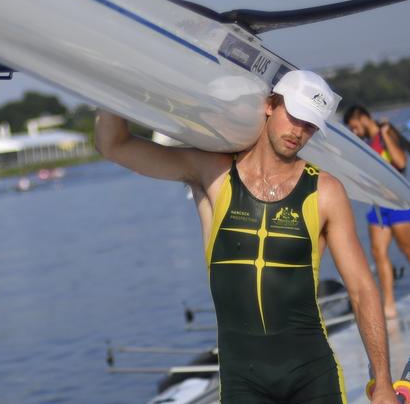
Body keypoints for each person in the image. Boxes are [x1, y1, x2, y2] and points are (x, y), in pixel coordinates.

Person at [95, 69, 397, 404]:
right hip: (243, 383)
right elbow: (114, 145)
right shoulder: (214, 175)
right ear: (270, 105)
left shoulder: (325, 192)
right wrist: (116, 74)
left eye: (310, 125)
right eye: (294, 116)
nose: (299, 131)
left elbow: (361, 289)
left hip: (313, 376)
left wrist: (381, 380)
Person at [344, 105, 410, 319]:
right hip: (379, 206)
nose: (354, 131)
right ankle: (388, 305)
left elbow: (400, 162)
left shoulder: (386, 133)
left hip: (399, 204)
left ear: (362, 118)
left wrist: (385, 135)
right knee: (377, 252)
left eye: (354, 127)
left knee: (407, 251)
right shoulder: (366, 144)